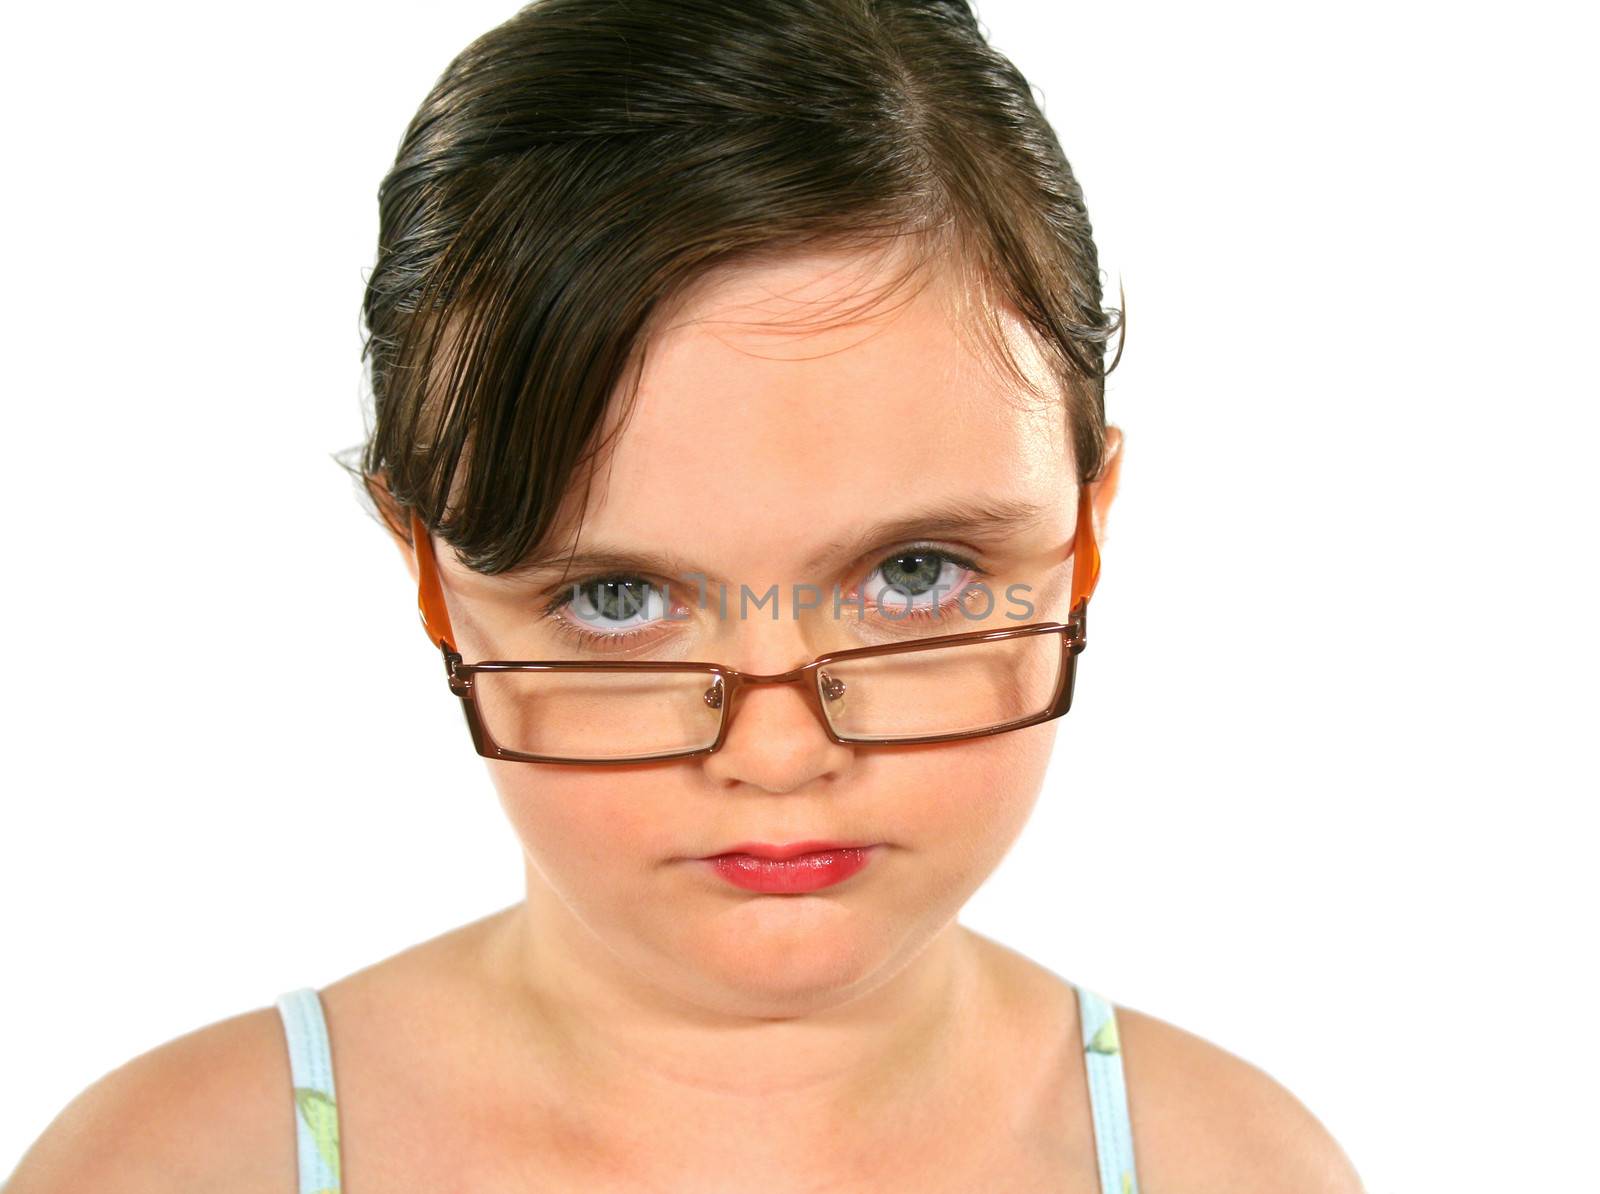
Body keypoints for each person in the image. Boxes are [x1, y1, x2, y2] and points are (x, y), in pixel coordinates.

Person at [7, 1, 1365, 1190]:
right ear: (427, 570)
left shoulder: (1236, 1168)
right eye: (613, 595)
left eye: (913, 574)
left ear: (1086, 534)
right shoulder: (173, 1169)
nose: (777, 752)